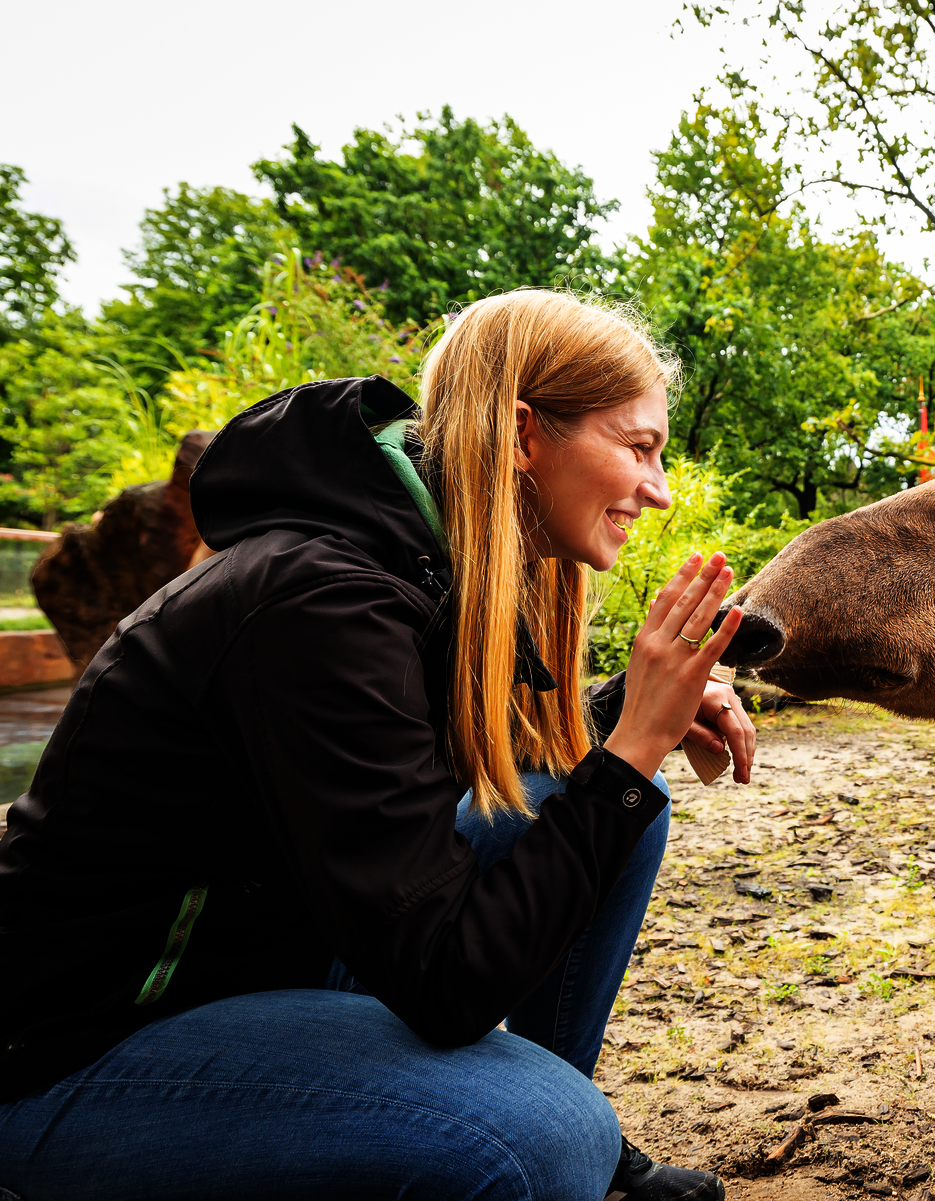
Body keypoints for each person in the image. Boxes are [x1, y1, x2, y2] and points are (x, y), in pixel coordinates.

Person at [0, 290, 756, 1200]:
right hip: (79, 1052)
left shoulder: (412, 564)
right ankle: (544, 1135)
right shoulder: (318, 599)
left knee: (583, 790)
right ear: (523, 436)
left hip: (271, 962)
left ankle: (556, 1130)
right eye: (638, 447)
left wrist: (633, 716)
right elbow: (449, 980)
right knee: (539, 1138)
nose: (658, 488)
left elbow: (424, 770)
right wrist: (632, 748)